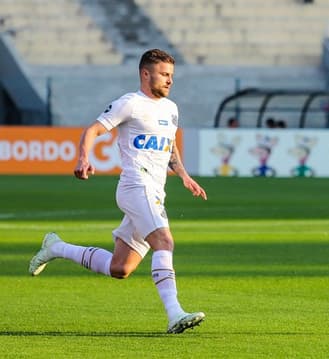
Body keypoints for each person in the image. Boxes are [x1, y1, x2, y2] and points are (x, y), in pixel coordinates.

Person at [28, 49, 208, 334]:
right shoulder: (130, 104)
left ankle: (56, 247)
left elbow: (170, 146)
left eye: (171, 75)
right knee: (165, 242)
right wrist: (83, 158)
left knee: (120, 268)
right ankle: (174, 313)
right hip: (136, 185)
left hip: (154, 191)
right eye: (164, 74)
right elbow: (93, 131)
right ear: (145, 74)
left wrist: (184, 175)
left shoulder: (171, 109)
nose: (169, 80)